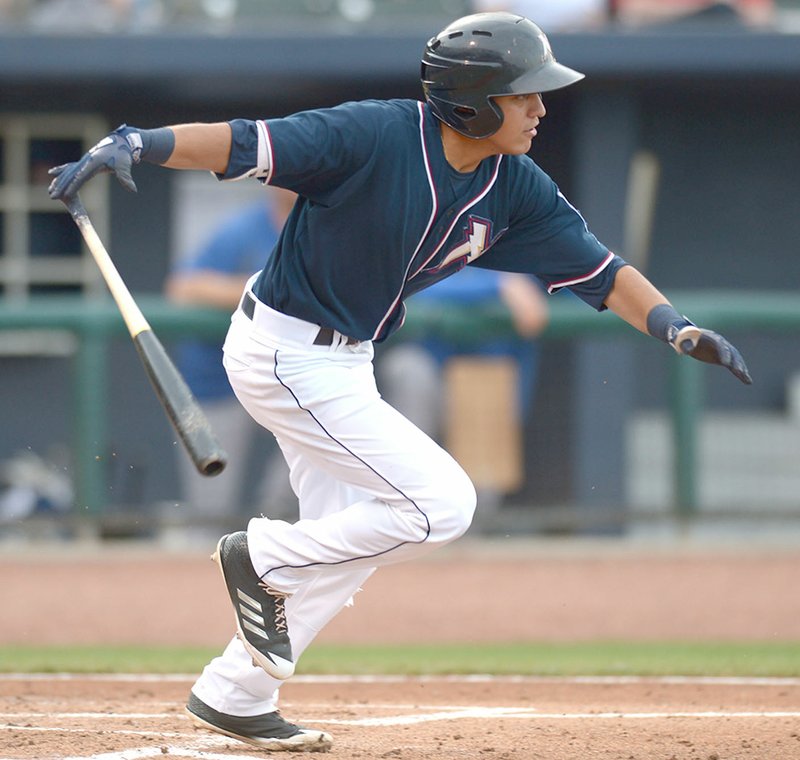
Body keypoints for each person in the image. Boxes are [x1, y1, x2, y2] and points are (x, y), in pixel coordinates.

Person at [48, 10, 752, 753]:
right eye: (525, 95)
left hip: (346, 360)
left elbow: (602, 272)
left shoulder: (512, 185)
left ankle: (236, 691)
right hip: (283, 353)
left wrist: (674, 326)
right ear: (474, 100)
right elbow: (246, 140)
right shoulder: (373, 134)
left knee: (349, 550)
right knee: (441, 504)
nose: (542, 108)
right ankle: (260, 557)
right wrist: (139, 142)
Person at [164, 187, 297, 543]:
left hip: (292, 381)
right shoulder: (243, 229)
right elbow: (182, 287)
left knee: (291, 499)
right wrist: (257, 288)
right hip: (218, 378)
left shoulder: (326, 226)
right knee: (210, 511)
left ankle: (268, 556)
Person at [377, 268, 549, 527]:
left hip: (487, 393)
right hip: (435, 379)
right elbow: (408, 291)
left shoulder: (532, 247)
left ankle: (470, 551)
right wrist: (497, 285)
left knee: (475, 511)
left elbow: (580, 291)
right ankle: (401, 508)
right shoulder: (440, 236)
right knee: (408, 368)